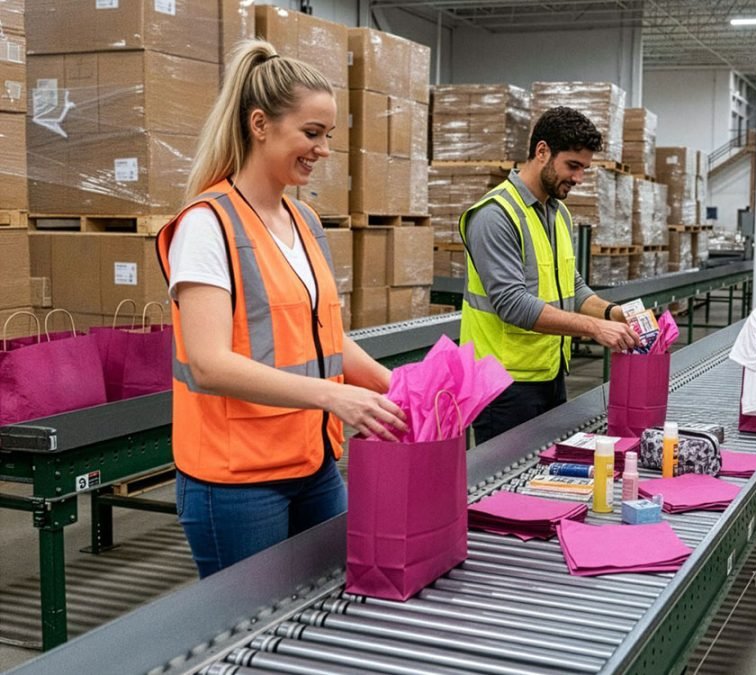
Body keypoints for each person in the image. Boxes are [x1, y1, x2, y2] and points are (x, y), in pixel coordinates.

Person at [156, 41, 408, 578]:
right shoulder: (207, 225)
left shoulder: (304, 221)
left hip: (313, 463)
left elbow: (325, 339)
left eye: (328, 136)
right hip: (237, 481)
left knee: (333, 599)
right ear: (259, 125)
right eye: (312, 133)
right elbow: (208, 363)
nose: (323, 150)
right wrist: (333, 396)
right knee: (248, 625)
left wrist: (400, 390)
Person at [460, 106, 641, 444]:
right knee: (507, 478)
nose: (579, 178)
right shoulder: (495, 215)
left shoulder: (558, 213)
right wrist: (594, 328)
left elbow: (571, 286)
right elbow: (512, 304)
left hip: (550, 374)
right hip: (503, 385)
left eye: (584, 168)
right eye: (572, 165)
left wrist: (612, 313)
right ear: (542, 151)